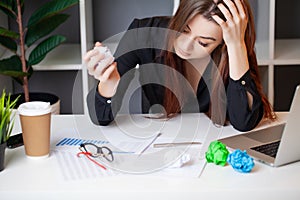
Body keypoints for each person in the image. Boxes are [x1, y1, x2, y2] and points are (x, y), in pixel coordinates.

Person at [84, 0, 275, 131]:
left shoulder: (233, 49)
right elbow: (99, 117)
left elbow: (244, 122)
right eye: (183, 30)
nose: (185, 45)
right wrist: (108, 83)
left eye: (203, 43)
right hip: (158, 149)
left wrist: (236, 46)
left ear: (222, 43)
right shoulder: (144, 33)